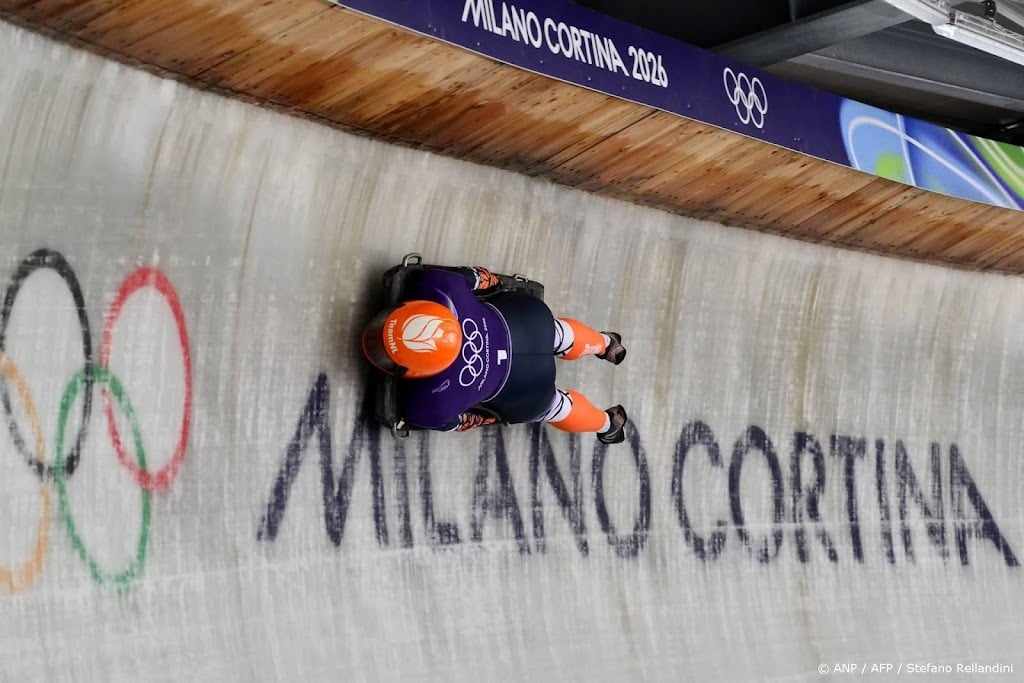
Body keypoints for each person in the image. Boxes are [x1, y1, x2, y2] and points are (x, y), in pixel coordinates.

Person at [362, 264, 628, 443]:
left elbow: (464, 421)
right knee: (554, 333)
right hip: (527, 321)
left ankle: (607, 425)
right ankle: (606, 344)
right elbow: (489, 281)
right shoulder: (440, 285)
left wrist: (490, 417)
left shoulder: (432, 403)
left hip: (522, 390)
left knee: (553, 406)